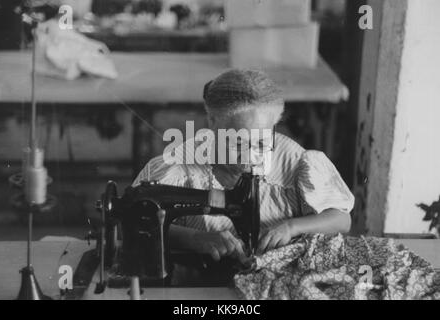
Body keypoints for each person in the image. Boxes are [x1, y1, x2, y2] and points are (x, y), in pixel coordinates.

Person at [133, 69, 354, 264]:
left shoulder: (295, 162)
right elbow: (135, 221)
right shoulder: (178, 165)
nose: (249, 156)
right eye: (237, 142)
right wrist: (195, 239)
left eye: (261, 142)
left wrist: (292, 227)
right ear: (211, 121)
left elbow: (342, 220)